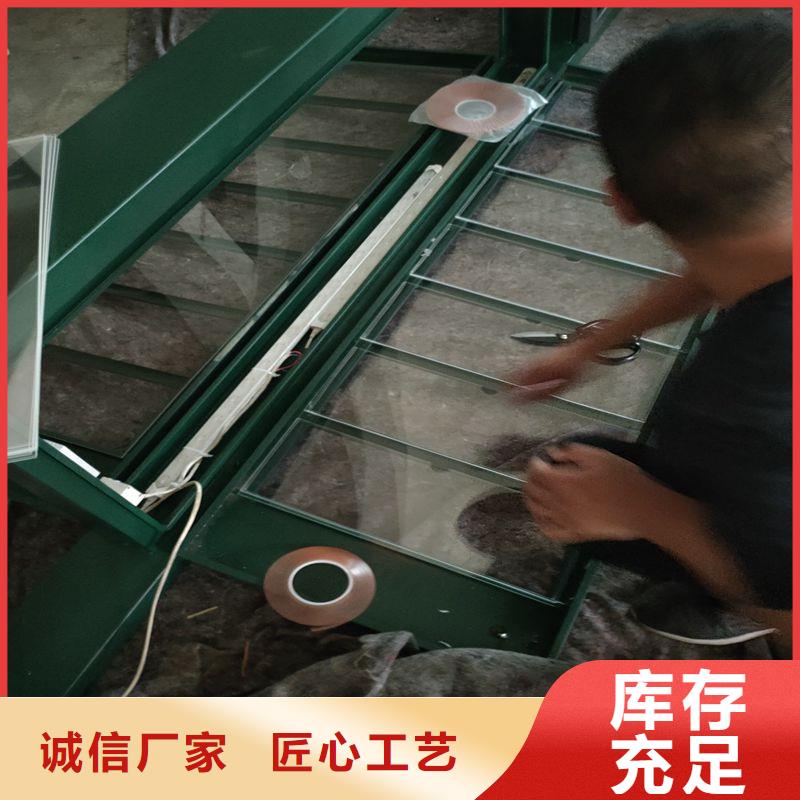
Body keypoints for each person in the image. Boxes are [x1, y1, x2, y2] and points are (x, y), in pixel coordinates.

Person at [514, 13, 792, 650]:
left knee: (574, 469)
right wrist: (590, 344)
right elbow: (722, 267)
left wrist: (645, 509)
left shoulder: (741, 403)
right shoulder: (769, 254)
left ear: (622, 204)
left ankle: (730, 621)